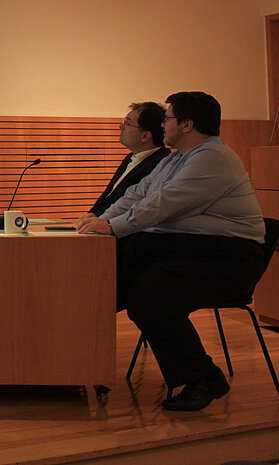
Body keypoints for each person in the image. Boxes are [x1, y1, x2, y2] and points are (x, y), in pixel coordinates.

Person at [78, 92, 265, 411]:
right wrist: (100, 221)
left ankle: (204, 378)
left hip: (227, 258)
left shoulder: (212, 158)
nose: (162, 125)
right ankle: (71, 364)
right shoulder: (176, 158)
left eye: (167, 118)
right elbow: (137, 194)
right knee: (102, 283)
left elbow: (162, 205)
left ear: (187, 124)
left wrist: (111, 227)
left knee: (149, 297)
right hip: (188, 250)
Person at [76, 102, 170, 227]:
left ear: (145, 136)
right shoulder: (130, 157)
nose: (121, 126)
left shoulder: (161, 163)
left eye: (128, 123)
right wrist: (92, 216)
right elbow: (110, 198)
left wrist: (102, 221)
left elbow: (134, 204)